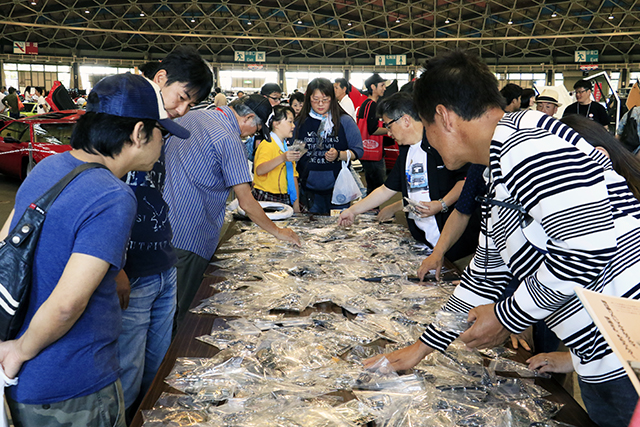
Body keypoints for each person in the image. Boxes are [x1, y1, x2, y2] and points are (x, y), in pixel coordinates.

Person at [364, 50, 640, 427]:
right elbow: (486, 270)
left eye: (427, 128)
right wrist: (420, 349)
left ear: (444, 117)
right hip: (600, 352)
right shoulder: (501, 157)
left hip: (626, 354)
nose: (428, 141)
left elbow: (583, 250)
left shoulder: (527, 148)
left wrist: (507, 316)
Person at [0, 72, 188, 427]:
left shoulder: (49, 167)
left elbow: (5, 243)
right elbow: (69, 303)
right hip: (74, 387)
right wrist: (18, 351)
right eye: (161, 132)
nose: (163, 142)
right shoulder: (114, 196)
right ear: (138, 134)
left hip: (24, 383)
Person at [116, 46, 213, 418]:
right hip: (133, 273)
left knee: (158, 365)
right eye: (182, 97)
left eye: (192, 103)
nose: (183, 110)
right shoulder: (125, 124)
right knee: (127, 368)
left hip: (163, 262)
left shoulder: (163, 131)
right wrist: (115, 266)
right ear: (160, 79)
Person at [164, 95, 301, 326]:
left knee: (163, 305)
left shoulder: (193, 115)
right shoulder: (229, 139)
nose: (250, 135)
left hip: (163, 225)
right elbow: (246, 201)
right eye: (256, 128)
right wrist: (277, 231)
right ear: (248, 117)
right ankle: (169, 356)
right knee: (181, 310)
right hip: (191, 235)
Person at [338, 92, 477, 263]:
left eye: (389, 126)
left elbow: (466, 180)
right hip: (425, 240)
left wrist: (441, 204)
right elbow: (386, 189)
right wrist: (352, 210)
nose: (388, 133)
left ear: (405, 120)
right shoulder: (406, 150)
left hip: (455, 244)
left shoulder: (442, 142)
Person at [295, 78, 364, 214]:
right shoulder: (300, 123)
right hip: (308, 189)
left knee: (339, 230)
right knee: (312, 232)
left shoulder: (344, 121)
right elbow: (292, 152)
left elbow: (358, 150)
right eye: (315, 99)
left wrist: (340, 155)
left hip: (339, 188)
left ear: (332, 99)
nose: (320, 104)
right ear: (309, 99)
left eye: (325, 99)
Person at [252, 105, 301, 212]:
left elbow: (293, 176)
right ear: (276, 124)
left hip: (284, 197)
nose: (293, 126)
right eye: (289, 121)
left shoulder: (284, 147)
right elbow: (259, 170)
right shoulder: (267, 144)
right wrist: (282, 158)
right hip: (267, 197)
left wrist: (296, 206)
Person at [357, 73, 388, 195]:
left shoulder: (366, 103)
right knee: (377, 188)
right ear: (373, 87)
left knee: (372, 186)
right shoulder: (372, 105)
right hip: (373, 153)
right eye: (382, 85)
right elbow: (372, 129)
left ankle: (371, 212)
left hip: (367, 151)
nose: (384, 88)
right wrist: (389, 130)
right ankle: (374, 212)